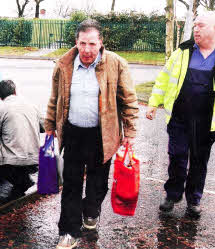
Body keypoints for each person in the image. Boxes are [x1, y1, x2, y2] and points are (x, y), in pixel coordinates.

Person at [44, 19, 139, 249]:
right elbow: (54, 99)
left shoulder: (116, 64)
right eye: (83, 43)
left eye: (92, 44)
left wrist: (130, 131)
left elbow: (129, 100)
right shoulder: (63, 65)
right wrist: (49, 125)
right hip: (74, 134)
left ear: (101, 43)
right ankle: (68, 231)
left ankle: (91, 210)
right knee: (71, 185)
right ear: (76, 42)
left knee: (98, 185)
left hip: (103, 136)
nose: (87, 50)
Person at [146, 10, 215, 217]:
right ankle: (172, 195)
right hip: (179, 117)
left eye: (201, 25)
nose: (196, 29)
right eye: (195, 25)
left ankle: (194, 200)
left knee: (199, 160)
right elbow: (164, 79)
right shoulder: (183, 51)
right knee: (177, 157)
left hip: (207, 121)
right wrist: (153, 103)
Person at [0, 80, 43, 202]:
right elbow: (43, 127)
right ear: (15, 91)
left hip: (14, 160)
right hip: (34, 157)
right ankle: (24, 180)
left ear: (0, 96)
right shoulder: (32, 106)